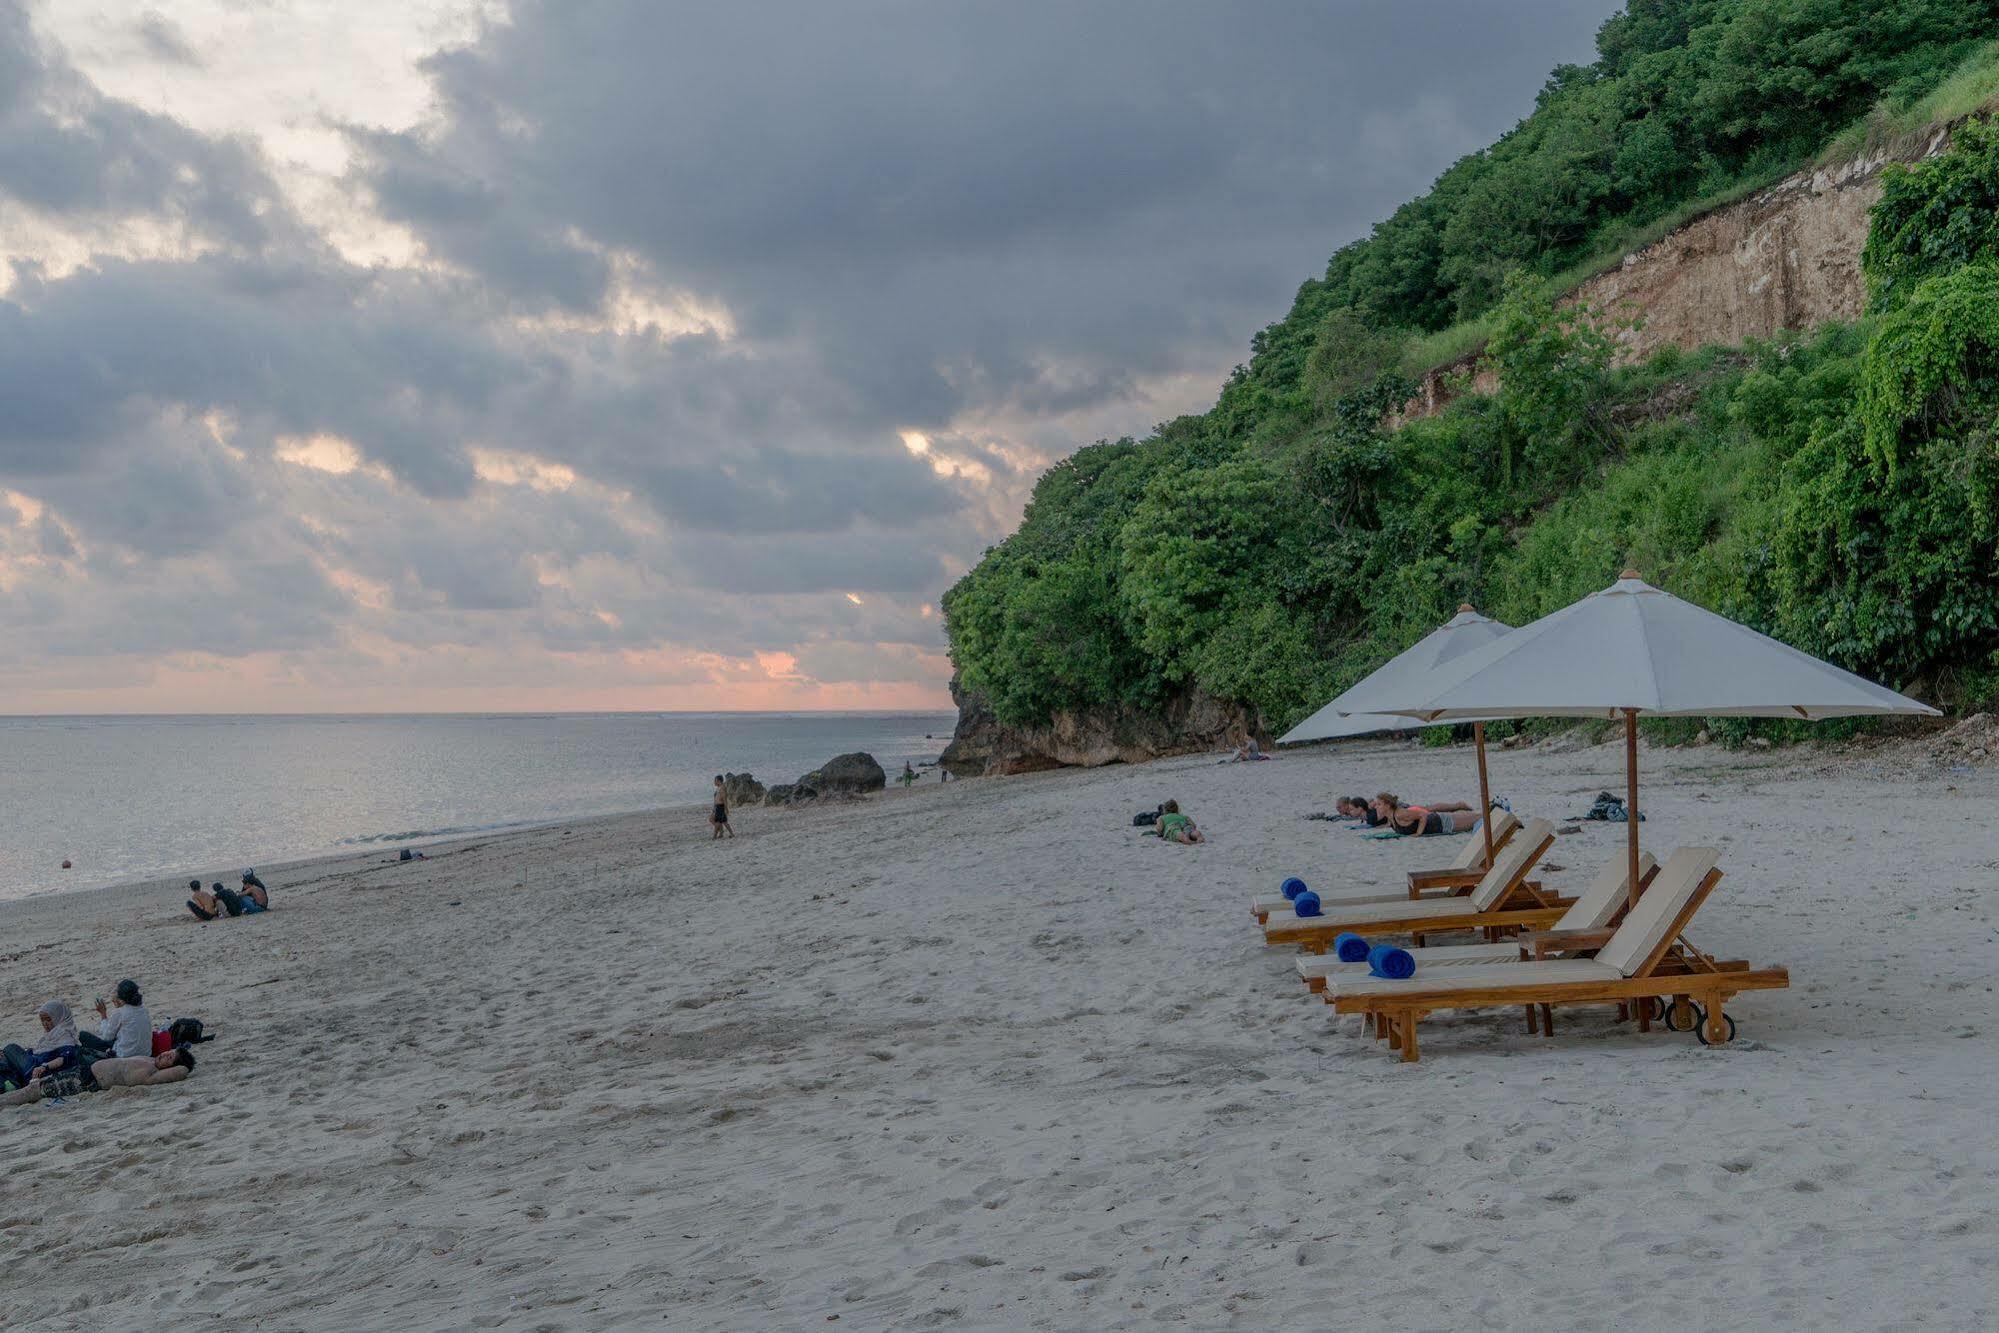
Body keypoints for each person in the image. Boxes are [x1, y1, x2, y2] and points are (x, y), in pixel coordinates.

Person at [2, 1047, 194, 1108]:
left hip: (88, 1081)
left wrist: (182, 1063)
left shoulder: (151, 1074)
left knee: (34, 1091)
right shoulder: (150, 1060)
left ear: (173, 1066)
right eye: (168, 1052)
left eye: (170, 1058)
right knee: (36, 1085)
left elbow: (182, 1071)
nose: (165, 1055)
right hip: (85, 1071)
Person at [2, 1001, 83, 1088]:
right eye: (42, 1020)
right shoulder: (50, 1035)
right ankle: (9, 1084)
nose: (45, 1024)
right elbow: (39, 1051)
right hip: (34, 1066)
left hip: (37, 1071)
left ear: (59, 1017)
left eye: (48, 1019)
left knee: (11, 1048)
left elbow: (65, 1057)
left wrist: (44, 1067)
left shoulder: (65, 1034)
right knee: (5, 1059)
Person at [80, 980, 151, 1059]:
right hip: (146, 1054)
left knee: (83, 1036)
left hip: (124, 1056)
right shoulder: (144, 1010)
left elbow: (107, 1037)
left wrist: (103, 1014)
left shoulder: (120, 1012)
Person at [1375, 793, 1479, 836]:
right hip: (1437, 826)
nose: (1376, 807)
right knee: (1475, 818)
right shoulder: (1390, 818)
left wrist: (1418, 834)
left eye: (1379, 804)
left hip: (1441, 823)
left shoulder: (1400, 814)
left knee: (1478, 818)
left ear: (1388, 805)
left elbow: (1422, 815)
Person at [711, 775, 734, 840]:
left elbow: (724, 799)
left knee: (718, 822)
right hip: (717, 806)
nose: (714, 782)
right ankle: (729, 833)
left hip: (720, 807)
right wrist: (714, 808)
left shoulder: (722, 788)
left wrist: (726, 809)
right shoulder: (719, 787)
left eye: (715, 781)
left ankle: (715, 836)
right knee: (723, 821)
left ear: (718, 781)